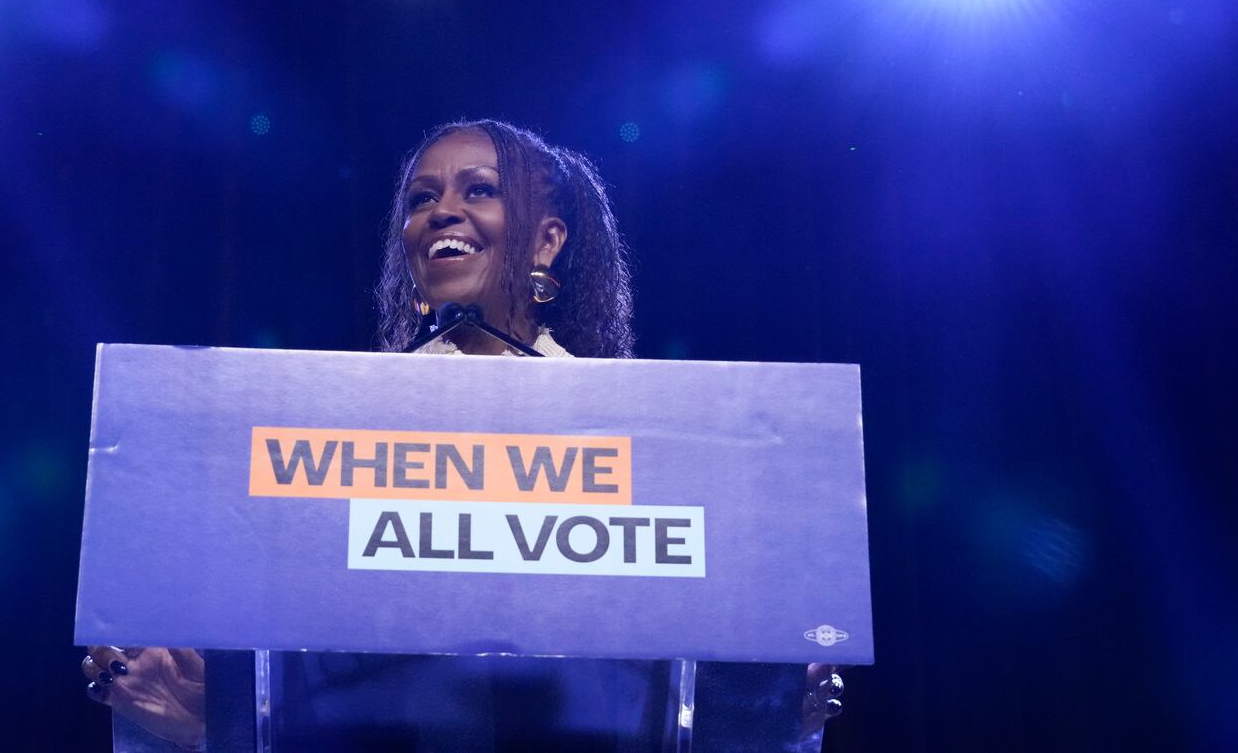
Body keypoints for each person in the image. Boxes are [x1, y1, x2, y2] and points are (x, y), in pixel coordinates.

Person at [82, 120, 843, 750]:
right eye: (421, 198)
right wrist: (212, 721)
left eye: (479, 189)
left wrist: (765, 712)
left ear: (546, 242)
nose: (443, 211)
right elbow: (307, 679)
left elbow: (667, 684)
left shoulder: (652, 438)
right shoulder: (332, 434)